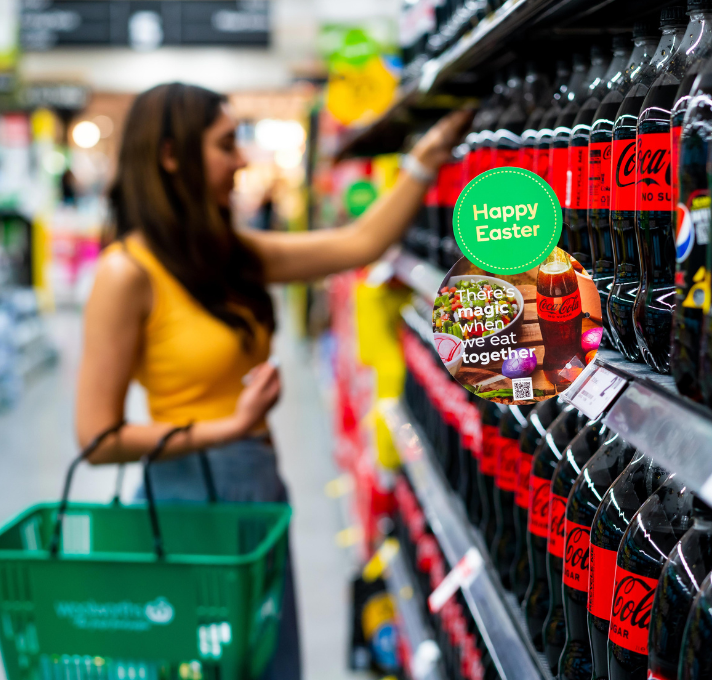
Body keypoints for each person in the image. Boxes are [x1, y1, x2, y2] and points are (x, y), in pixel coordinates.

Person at [75, 82, 469, 679]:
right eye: (226, 144)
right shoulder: (125, 272)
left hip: (258, 490)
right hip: (186, 503)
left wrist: (427, 156)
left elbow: (358, 243)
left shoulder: (224, 255)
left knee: (267, 666)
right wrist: (228, 425)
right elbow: (97, 439)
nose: (241, 160)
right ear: (170, 155)